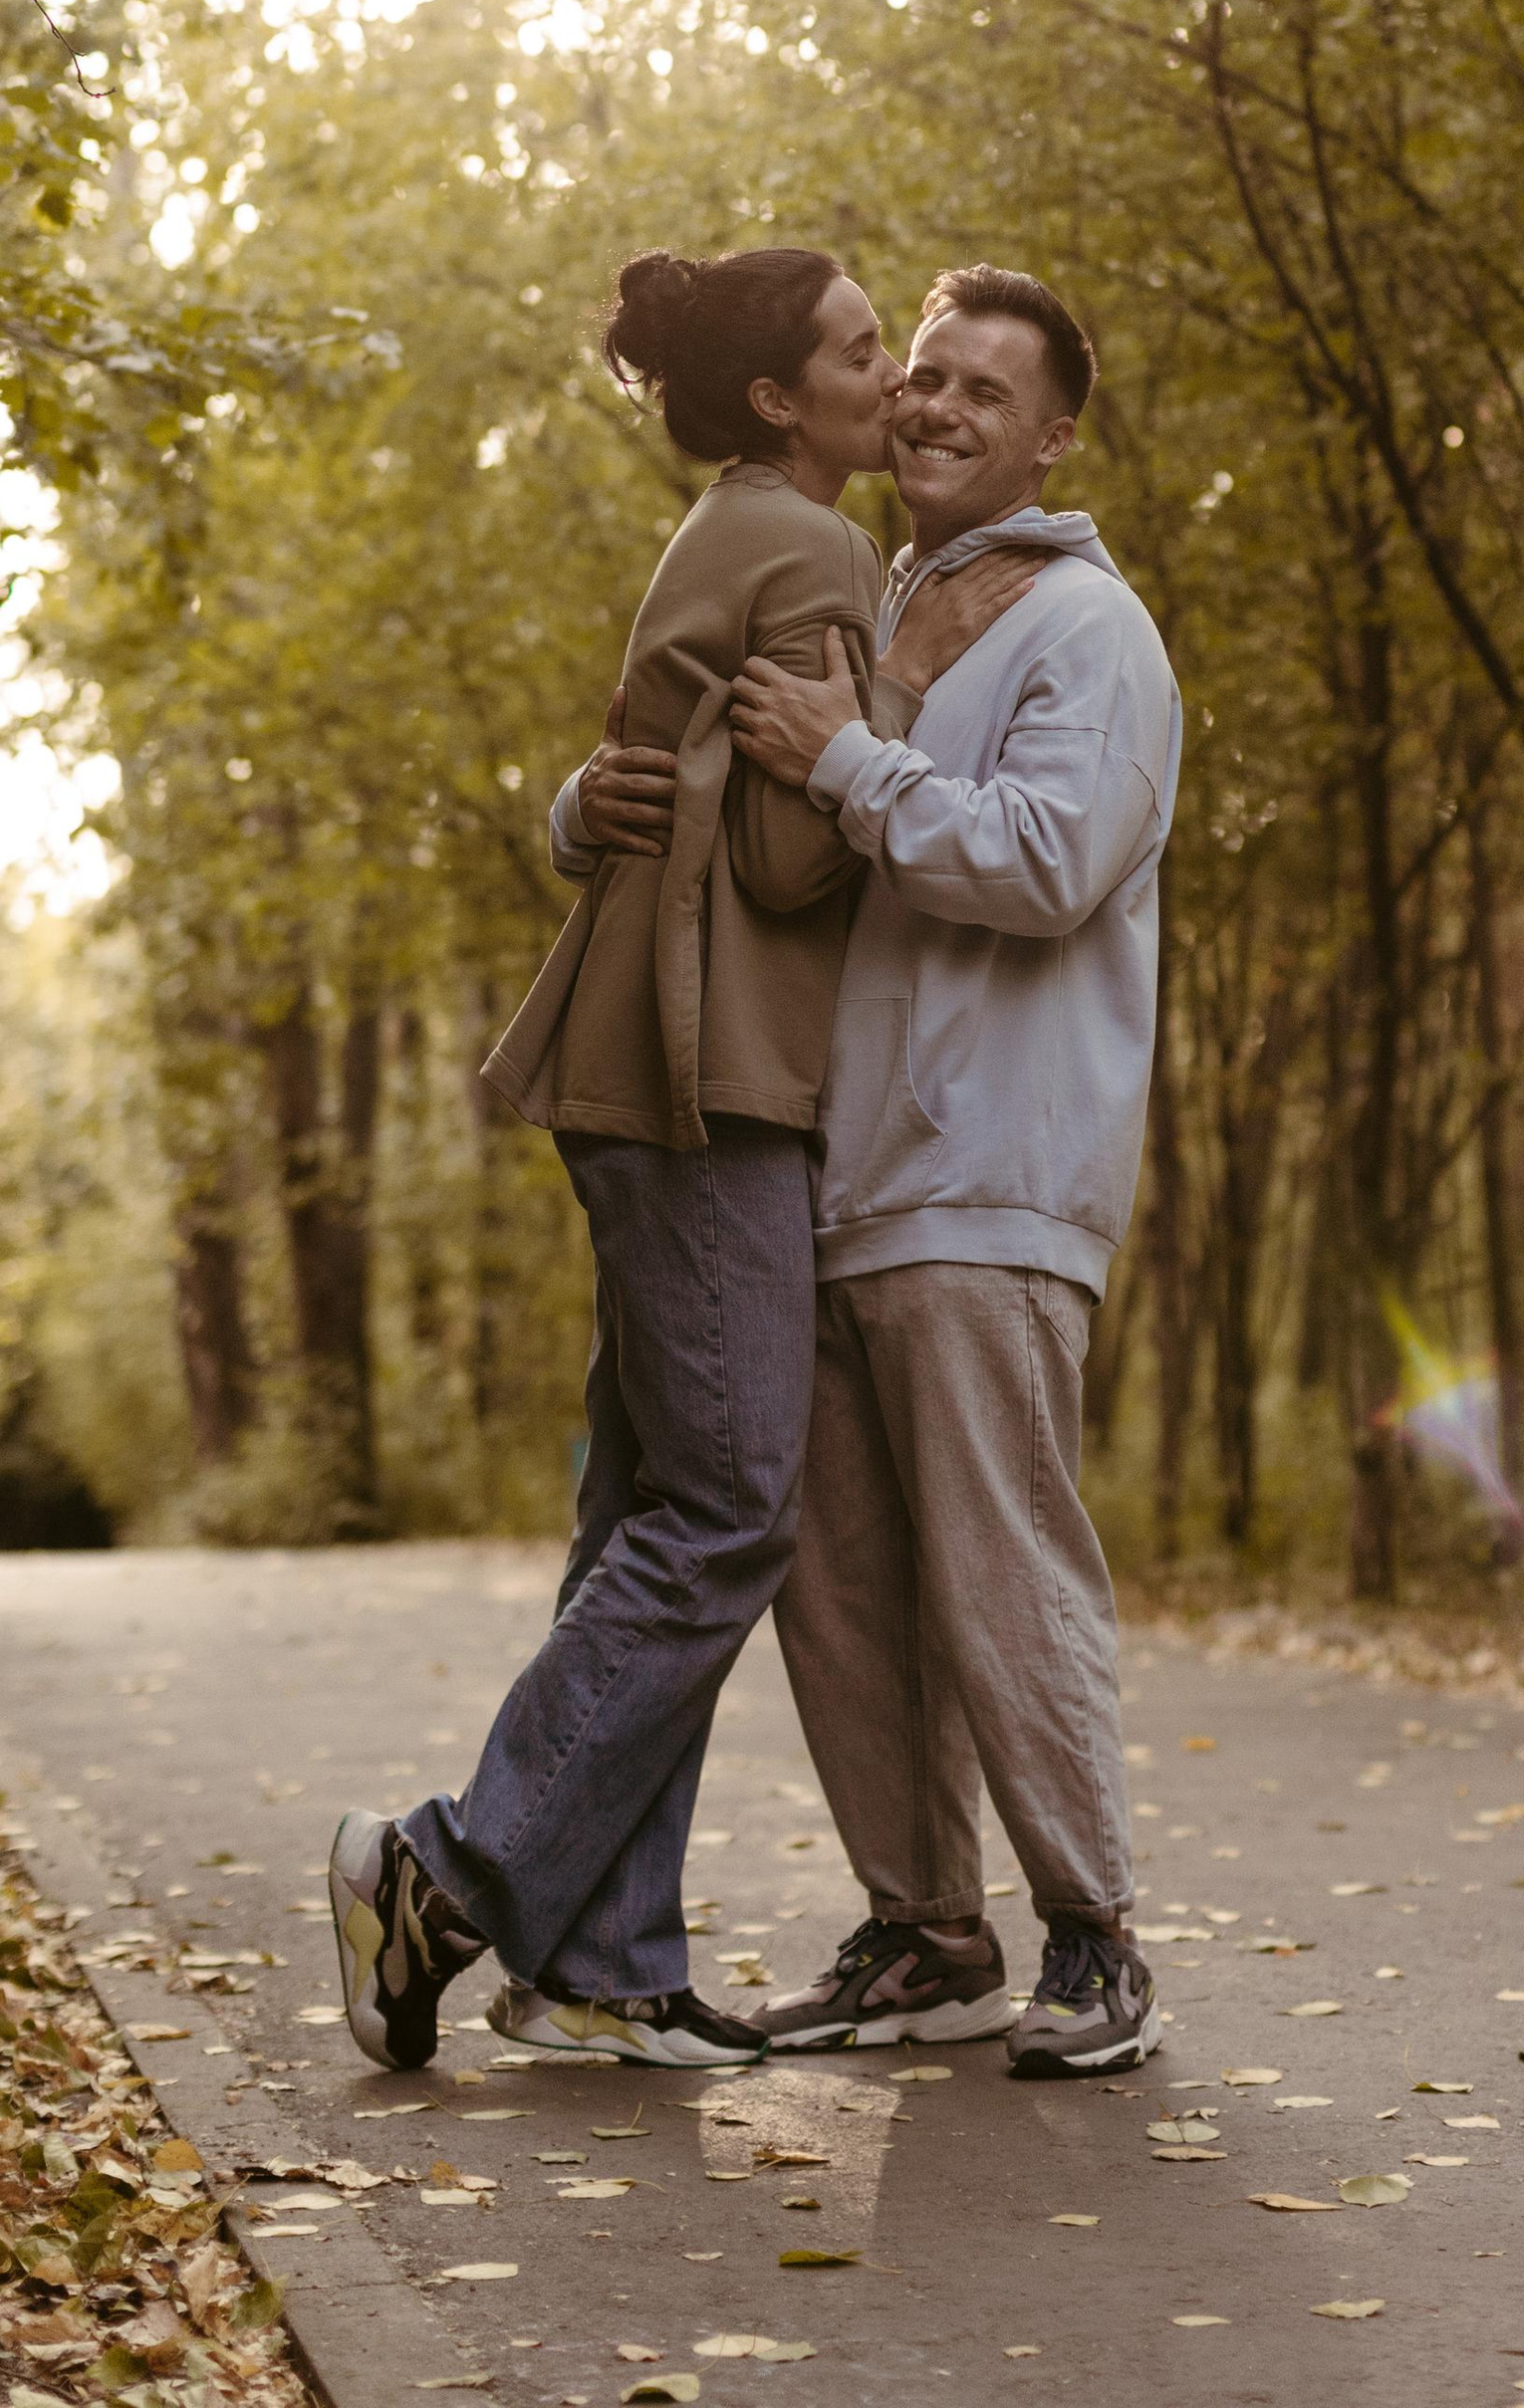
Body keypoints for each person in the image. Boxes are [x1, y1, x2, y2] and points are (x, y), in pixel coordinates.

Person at [327, 243, 1011, 2076]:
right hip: (711, 1084)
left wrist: (637, 791)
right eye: (866, 354)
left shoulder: (736, 521)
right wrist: (880, 766)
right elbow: (789, 863)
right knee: (729, 1512)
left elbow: (660, 777)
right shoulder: (814, 548)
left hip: (657, 1065)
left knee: (649, 1513)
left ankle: (608, 1955)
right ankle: (446, 1873)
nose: (895, 381)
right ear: (784, 398)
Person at [728, 264, 1182, 2079]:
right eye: (921, 376)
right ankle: (925, 1931)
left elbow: (1055, 857)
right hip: (831, 1182)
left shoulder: (1092, 629)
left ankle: (1094, 1940)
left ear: (1055, 435)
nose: (934, 406)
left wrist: (847, 763)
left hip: (992, 1180)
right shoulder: (869, 598)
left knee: (1002, 1568)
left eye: (985, 390)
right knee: (836, 1583)